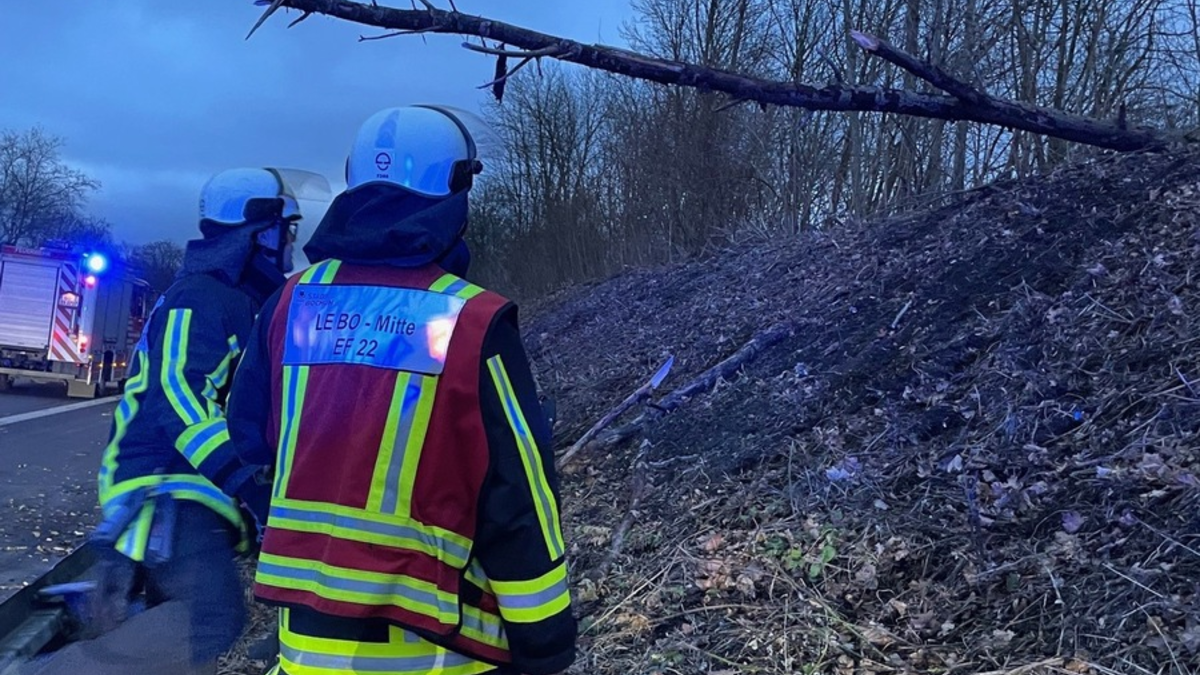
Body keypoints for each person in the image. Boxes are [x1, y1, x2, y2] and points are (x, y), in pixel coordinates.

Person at [226, 105, 577, 675]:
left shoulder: (290, 304)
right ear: (455, 190)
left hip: (306, 650)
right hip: (433, 653)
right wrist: (547, 639)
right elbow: (518, 500)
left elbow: (250, 439)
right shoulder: (470, 321)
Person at [90, 167, 318, 673]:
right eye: (286, 230)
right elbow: (178, 393)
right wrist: (247, 477)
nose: (289, 244)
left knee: (199, 623)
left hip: (194, 492)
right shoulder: (201, 297)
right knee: (211, 622)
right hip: (166, 487)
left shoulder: (245, 303)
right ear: (260, 231)